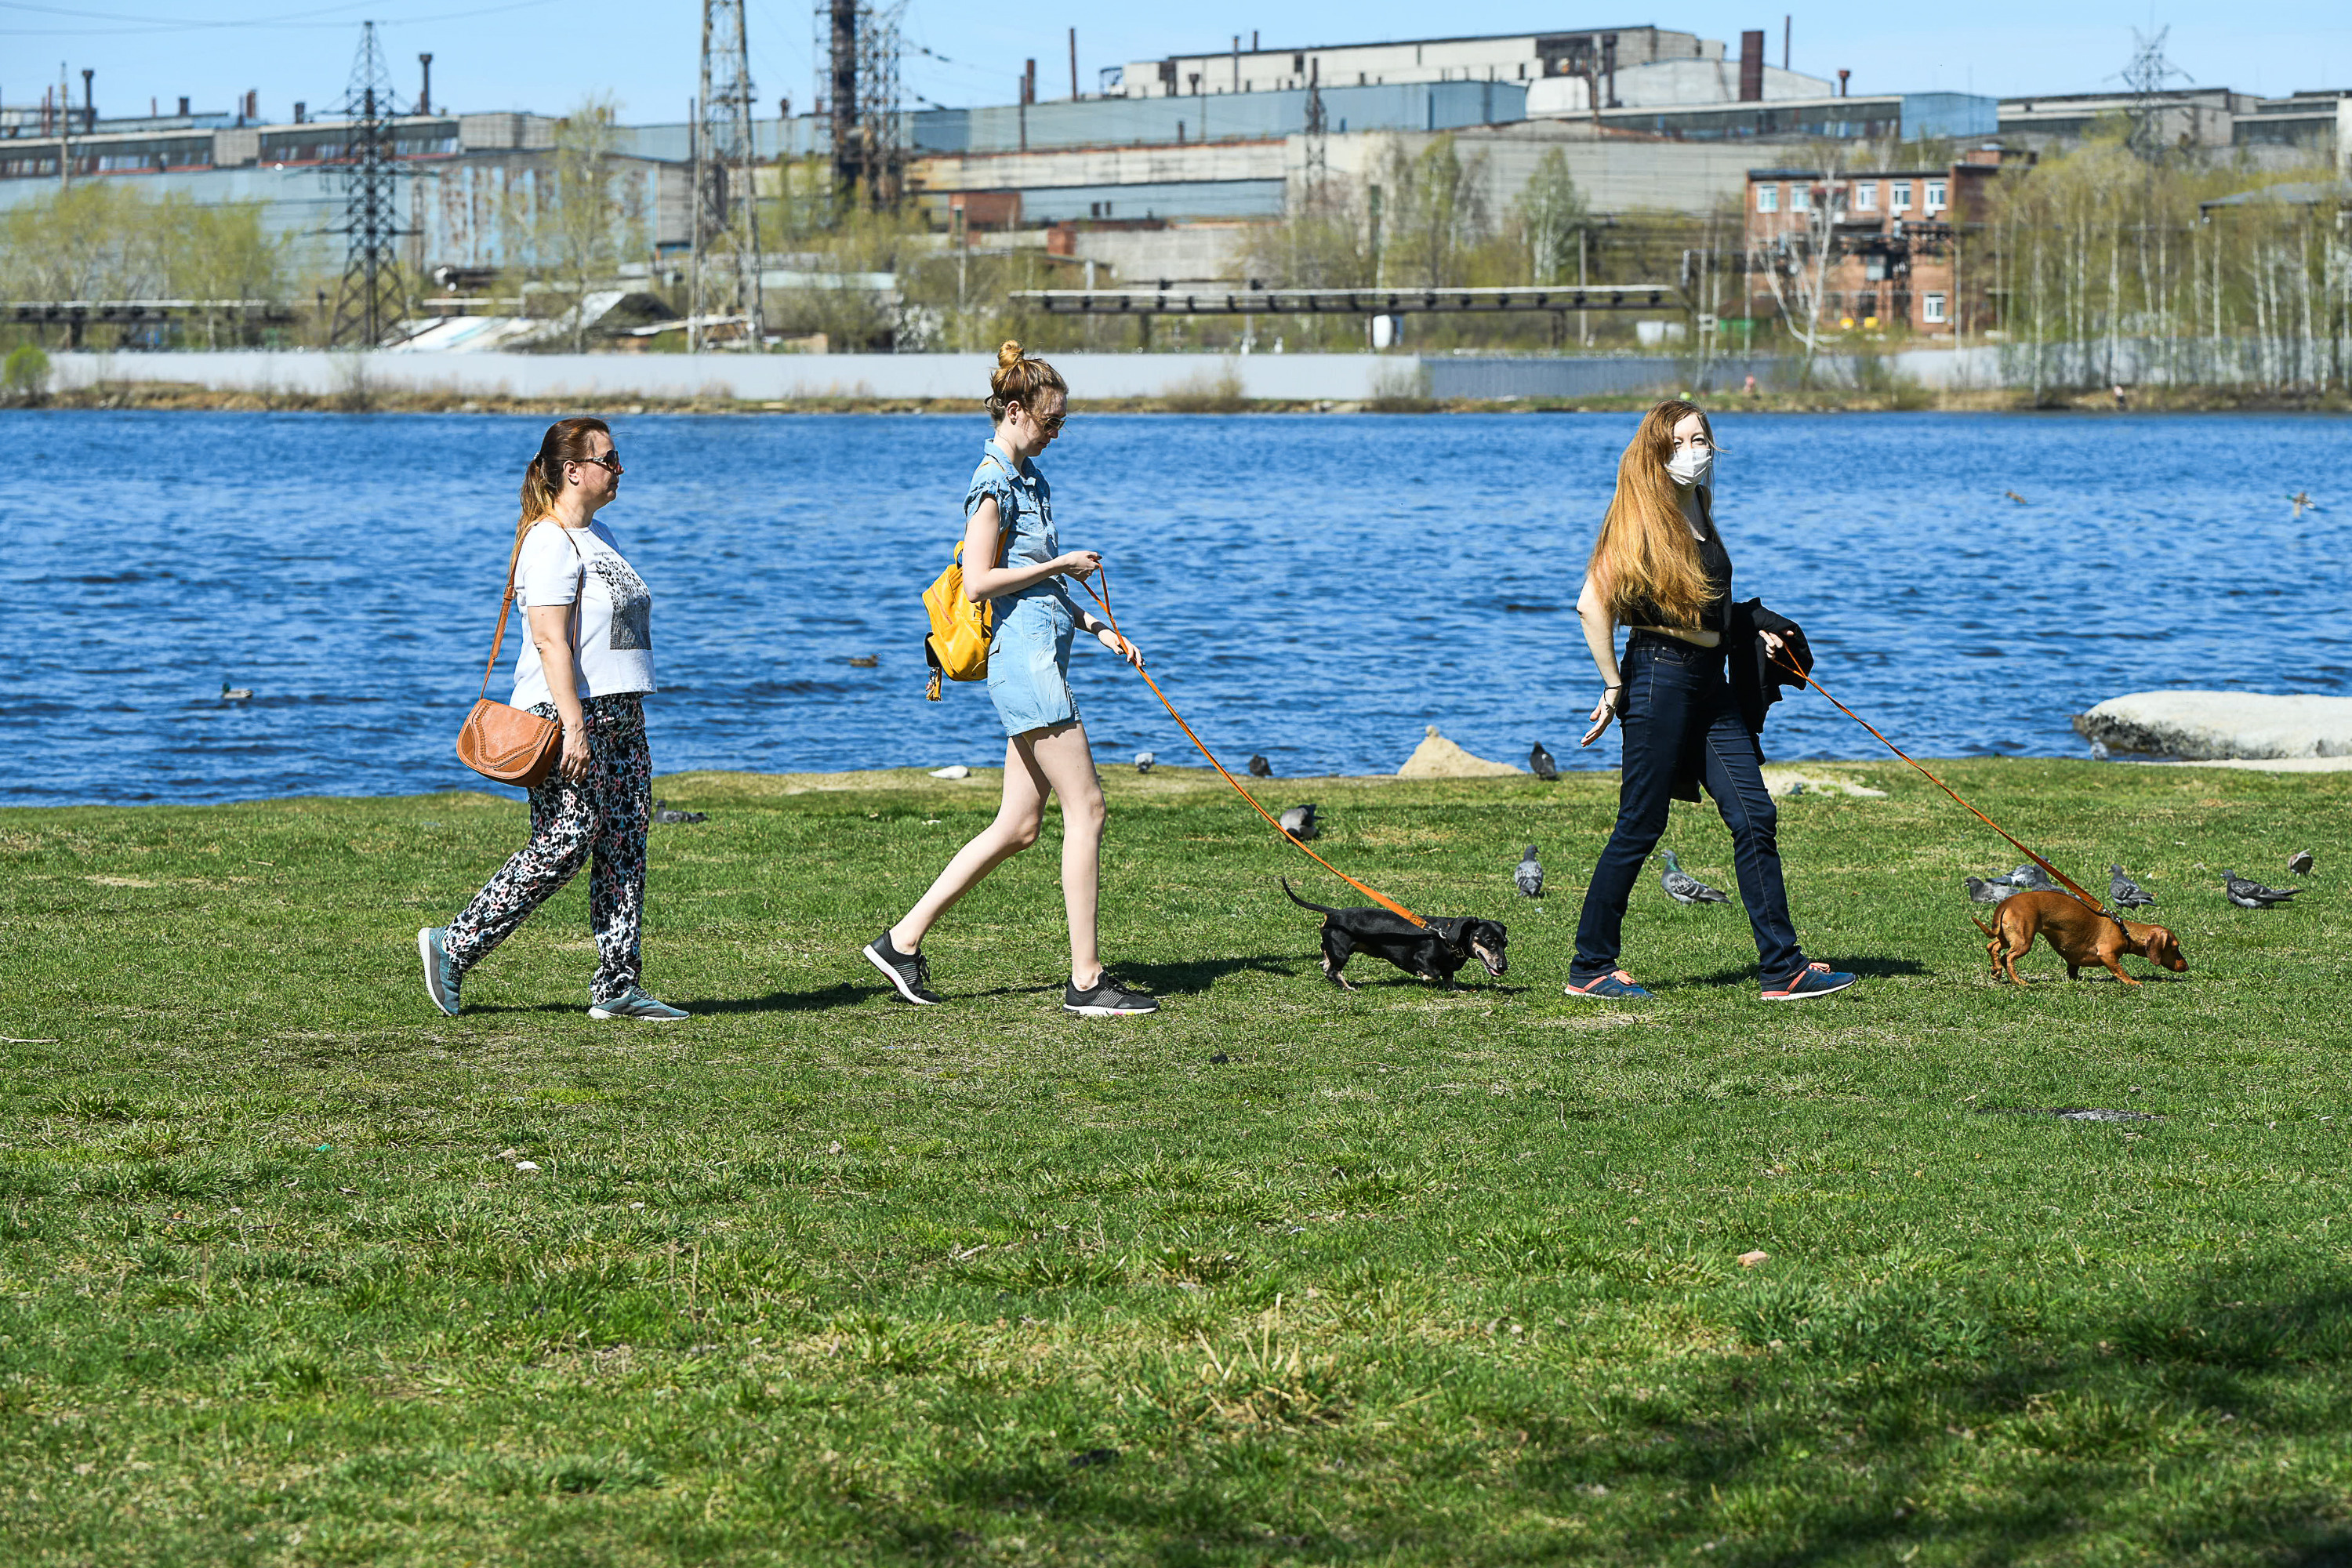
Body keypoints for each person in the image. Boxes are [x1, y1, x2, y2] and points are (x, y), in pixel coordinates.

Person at [862, 342, 1159, 1017]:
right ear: (1017, 410)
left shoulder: (1031, 481)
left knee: (1019, 826)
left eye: (1062, 423)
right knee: (1088, 809)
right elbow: (979, 582)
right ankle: (1087, 982)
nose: (1057, 433)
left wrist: (1097, 626)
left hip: (1041, 657)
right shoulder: (992, 484)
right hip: (1025, 668)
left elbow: (1036, 586)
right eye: (1051, 422)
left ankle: (900, 942)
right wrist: (1060, 566)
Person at [1563, 399, 1856, 1003]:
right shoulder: (1639, 514)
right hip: (1658, 678)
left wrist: (1749, 629)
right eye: (1678, 443)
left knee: (1754, 815)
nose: (1692, 452)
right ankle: (1590, 966)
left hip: (1710, 681)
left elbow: (1707, 598)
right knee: (1641, 824)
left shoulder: (1699, 501)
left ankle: (1783, 969)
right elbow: (1592, 603)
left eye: (1700, 440)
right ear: (1656, 451)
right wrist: (1613, 685)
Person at [418, 417, 687, 1021]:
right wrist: (575, 726)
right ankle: (454, 944)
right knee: (563, 842)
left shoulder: (600, 535)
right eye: (609, 459)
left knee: (625, 845)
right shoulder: (549, 542)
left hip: (622, 716)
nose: (619, 469)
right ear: (573, 471)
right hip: (567, 718)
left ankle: (617, 984)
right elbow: (549, 641)